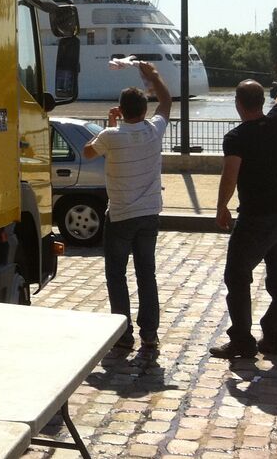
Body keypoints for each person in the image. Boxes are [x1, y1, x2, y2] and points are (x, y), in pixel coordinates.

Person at [208, 55, 277, 359]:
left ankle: (242, 341)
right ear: (262, 100)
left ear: (237, 103)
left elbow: (229, 176)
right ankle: (274, 338)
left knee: (236, 275)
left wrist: (221, 207)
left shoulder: (236, 137)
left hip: (255, 219)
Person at [83, 62, 171, 350]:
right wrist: (154, 75)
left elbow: (88, 152)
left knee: (116, 275)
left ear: (120, 110)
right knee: (147, 274)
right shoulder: (154, 131)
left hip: (120, 216)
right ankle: (150, 333)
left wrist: (110, 124)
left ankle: (123, 334)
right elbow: (167, 101)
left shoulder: (111, 136)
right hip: (149, 215)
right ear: (144, 110)